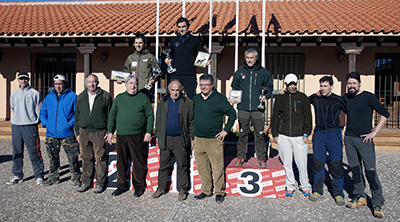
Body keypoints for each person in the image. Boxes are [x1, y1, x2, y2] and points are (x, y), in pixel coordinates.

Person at [343, 72, 389, 219]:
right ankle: (360, 196)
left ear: (359, 84)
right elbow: (330, 101)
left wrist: (374, 131)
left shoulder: (368, 97)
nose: (351, 86)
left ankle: (377, 202)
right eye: (349, 83)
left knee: (370, 171)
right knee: (356, 170)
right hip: (349, 139)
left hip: (365, 141)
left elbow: (385, 114)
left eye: (354, 83)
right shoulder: (345, 98)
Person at [106, 74, 154, 197]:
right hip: (121, 135)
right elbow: (112, 115)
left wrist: (148, 132)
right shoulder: (119, 98)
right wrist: (110, 131)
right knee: (121, 162)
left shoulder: (143, 98)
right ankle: (120, 186)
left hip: (137, 135)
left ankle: (138, 187)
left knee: (138, 162)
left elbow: (150, 115)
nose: (133, 86)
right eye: (131, 83)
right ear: (126, 84)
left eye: (135, 83)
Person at [192, 74, 236, 203]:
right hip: (199, 139)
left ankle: (219, 192)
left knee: (217, 168)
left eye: (206, 85)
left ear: (212, 85)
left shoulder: (220, 99)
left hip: (214, 140)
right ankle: (206, 190)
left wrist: (225, 130)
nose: (203, 87)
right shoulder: (196, 99)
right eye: (201, 85)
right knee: (202, 167)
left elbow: (232, 114)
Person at [152, 79, 195, 201]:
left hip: (180, 139)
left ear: (181, 91)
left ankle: (182, 189)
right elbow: (158, 120)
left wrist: (191, 138)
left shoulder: (187, 102)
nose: (175, 93)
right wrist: (159, 136)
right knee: (163, 165)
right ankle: (161, 188)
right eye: (172, 90)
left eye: (177, 90)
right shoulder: (162, 102)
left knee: (182, 165)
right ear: (168, 90)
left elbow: (191, 122)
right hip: (166, 139)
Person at [271, 73, 312, 199]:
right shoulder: (280, 98)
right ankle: (290, 186)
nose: (293, 86)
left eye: (294, 84)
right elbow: (275, 117)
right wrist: (275, 134)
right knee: (287, 163)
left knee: (301, 163)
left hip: (299, 136)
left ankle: (305, 186)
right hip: (283, 136)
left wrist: (306, 133)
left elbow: (308, 117)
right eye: (290, 84)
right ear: (285, 85)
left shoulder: (303, 98)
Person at [231, 48, 273, 168]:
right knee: (243, 133)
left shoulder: (264, 72)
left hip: (258, 109)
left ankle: (261, 158)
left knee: (259, 134)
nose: (249, 60)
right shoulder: (240, 71)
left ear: (256, 58)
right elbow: (234, 86)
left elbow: (269, 88)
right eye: (247, 58)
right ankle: (241, 157)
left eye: (252, 58)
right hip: (243, 107)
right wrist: (235, 98)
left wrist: (266, 96)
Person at [308, 76, 346, 205]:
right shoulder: (315, 98)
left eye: (325, 86)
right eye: (321, 86)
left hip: (334, 134)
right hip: (319, 133)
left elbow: (351, 112)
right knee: (318, 163)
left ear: (331, 86)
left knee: (336, 164)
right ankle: (317, 190)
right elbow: (302, 101)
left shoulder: (338, 100)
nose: (322, 88)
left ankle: (339, 193)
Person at [39, 74, 81, 187]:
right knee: (52, 158)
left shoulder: (72, 96)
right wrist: (45, 123)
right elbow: (43, 111)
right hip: (51, 134)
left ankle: (76, 177)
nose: (58, 86)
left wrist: (69, 124)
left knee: (72, 157)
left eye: (60, 84)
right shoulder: (49, 97)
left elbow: (77, 113)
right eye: (56, 84)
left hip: (67, 133)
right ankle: (53, 177)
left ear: (64, 84)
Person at [74, 74, 112, 194]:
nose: (91, 84)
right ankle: (86, 182)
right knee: (86, 158)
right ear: (86, 83)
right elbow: (77, 116)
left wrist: (110, 131)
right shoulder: (81, 97)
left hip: (99, 132)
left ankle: (100, 183)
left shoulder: (105, 96)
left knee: (100, 157)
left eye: (94, 82)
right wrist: (77, 132)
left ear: (98, 82)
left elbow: (111, 115)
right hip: (84, 132)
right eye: (89, 82)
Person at [6, 72, 45, 185]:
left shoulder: (35, 93)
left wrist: (36, 121)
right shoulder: (14, 94)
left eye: (25, 79)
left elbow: (39, 109)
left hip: (30, 126)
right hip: (17, 126)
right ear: (18, 80)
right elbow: (13, 108)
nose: (23, 81)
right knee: (17, 151)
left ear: (28, 80)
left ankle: (39, 175)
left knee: (34, 152)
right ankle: (17, 174)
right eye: (21, 79)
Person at [165, 17, 203, 99]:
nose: (181, 29)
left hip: (190, 74)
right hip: (176, 74)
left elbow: (201, 55)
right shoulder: (174, 40)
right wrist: (167, 59)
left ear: (188, 27)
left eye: (183, 27)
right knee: (174, 97)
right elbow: (169, 54)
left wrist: (205, 61)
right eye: (179, 27)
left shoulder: (195, 40)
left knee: (191, 97)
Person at [123, 33, 162, 100]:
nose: (138, 45)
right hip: (133, 90)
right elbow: (126, 73)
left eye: (140, 43)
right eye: (136, 43)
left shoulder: (150, 57)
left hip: (145, 90)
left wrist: (153, 79)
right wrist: (122, 79)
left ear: (144, 44)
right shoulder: (130, 58)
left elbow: (159, 72)